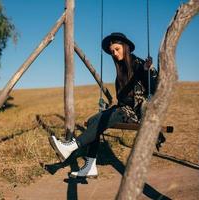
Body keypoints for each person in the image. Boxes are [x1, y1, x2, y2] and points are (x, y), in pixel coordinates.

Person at [49, 32, 162, 178]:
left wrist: (149, 71)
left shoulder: (140, 64)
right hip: (123, 110)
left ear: (125, 47)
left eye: (117, 49)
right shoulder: (121, 70)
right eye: (112, 51)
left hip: (137, 113)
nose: (114, 53)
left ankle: (71, 146)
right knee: (92, 120)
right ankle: (90, 166)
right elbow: (121, 97)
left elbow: (154, 89)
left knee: (116, 114)